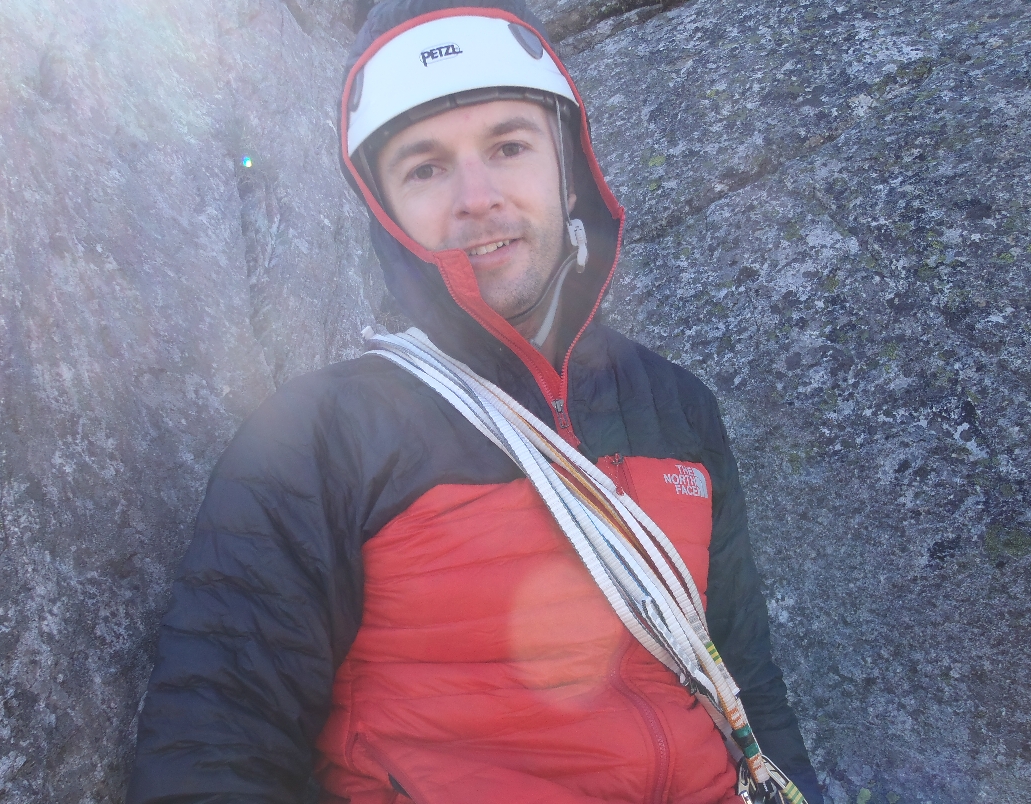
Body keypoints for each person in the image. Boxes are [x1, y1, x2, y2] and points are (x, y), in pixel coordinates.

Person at [127, 1, 824, 802]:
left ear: (569, 163)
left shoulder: (677, 409)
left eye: (508, 145)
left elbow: (746, 682)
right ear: (385, 210)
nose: (476, 196)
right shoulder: (320, 436)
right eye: (424, 167)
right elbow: (212, 748)